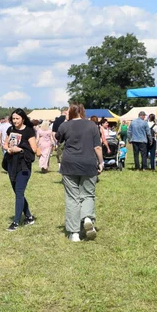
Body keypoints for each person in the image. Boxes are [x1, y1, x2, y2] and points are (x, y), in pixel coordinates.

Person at [58, 103, 102, 242]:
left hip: (69, 163)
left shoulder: (65, 125)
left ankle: (74, 233)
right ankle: (87, 217)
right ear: (82, 111)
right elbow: (97, 147)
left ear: (70, 112)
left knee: (72, 198)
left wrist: (65, 122)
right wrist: (101, 162)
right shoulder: (92, 125)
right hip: (88, 163)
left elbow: (58, 140)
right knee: (88, 194)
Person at [3, 109, 39, 231]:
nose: (15, 121)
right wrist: (8, 149)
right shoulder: (10, 130)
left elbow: (33, 149)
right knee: (18, 193)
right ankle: (29, 216)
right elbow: (5, 144)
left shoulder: (28, 131)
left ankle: (16, 222)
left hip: (23, 166)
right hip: (11, 164)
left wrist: (21, 149)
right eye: (13, 119)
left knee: (19, 192)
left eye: (17, 118)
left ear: (23, 118)